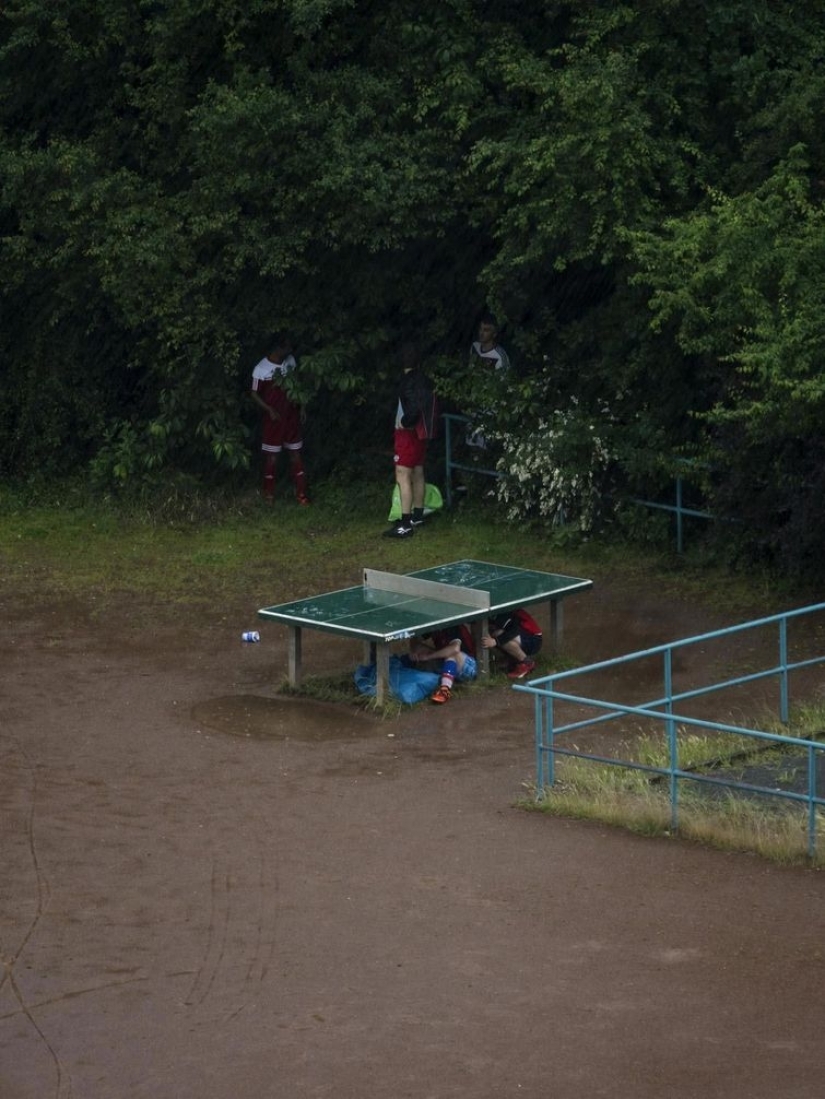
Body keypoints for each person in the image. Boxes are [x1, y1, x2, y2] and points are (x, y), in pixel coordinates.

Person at [383, 342, 438, 539]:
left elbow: (413, 405)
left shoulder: (408, 380)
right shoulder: (423, 379)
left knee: (402, 474)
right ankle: (418, 514)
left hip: (408, 433)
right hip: (421, 433)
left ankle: (405, 524)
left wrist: (407, 421)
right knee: (417, 471)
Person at [250, 334, 309, 506]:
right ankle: (269, 494)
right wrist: (269, 410)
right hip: (274, 419)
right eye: (287, 347)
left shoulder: (290, 362)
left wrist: (302, 406)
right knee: (272, 457)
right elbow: (254, 393)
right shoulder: (261, 369)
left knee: (295, 454)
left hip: (291, 416)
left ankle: (301, 494)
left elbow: (297, 384)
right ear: (278, 348)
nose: (290, 351)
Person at [466, 312, 511, 450]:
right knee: (471, 443)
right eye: (481, 329)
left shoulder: (500, 356)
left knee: (486, 446)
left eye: (486, 330)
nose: (482, 333)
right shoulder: (474, 347)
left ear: (494, 333)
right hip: (474, 404)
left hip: (490, 409)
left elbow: (504, 385)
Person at [408, 622, 478, 704]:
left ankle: (445, 690)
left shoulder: (452, 625)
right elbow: (415, 638)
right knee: (423, 650)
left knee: (452, 654)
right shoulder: (434, 626)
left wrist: (429, 656)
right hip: (448, 664)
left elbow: (455, 649)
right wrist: (415, 650)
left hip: (469, 666)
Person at [481, 607, 543, 679]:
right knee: (494, 633)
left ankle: (526, 662)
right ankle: (512, 660)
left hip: (533, 640)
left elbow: (514, 631)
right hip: (523, 636)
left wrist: (495, 641)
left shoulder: (504, 611)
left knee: (497, 634)